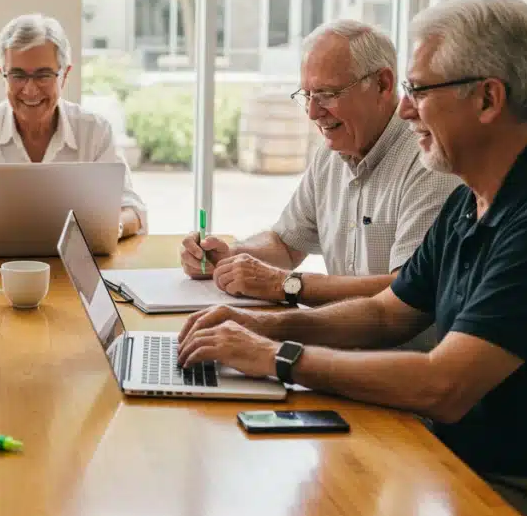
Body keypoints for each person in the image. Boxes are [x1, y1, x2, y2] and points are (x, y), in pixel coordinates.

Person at [176, 0, 527, 516]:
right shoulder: (473, 198)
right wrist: (261, 323)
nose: (407, 109)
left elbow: (445, 385)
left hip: (525, 495)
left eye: (420, 90)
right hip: (451, 455)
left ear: (488, 98)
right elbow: (388, 314)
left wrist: (276, 355)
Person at [180, 19, 457, 317]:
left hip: (398, 357)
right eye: (307, 96)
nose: (313, 112)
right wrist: (231, 258)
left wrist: (287, 285)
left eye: (327, 95)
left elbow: (407, 291)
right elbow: (285, 245)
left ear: (383, 85)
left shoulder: (428, 159)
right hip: (344, 344)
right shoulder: (332, 151)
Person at [0, 13, 147, 239]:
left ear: (64, 75)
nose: (29, 90)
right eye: (17, 76)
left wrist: (105, 229)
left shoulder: (95, 130)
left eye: (43, 75)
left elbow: (132, 211)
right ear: (3, 75)